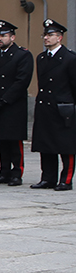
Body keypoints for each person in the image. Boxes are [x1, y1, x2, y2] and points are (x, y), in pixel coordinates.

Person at [0, 20, 33, 186]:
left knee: (14, 140)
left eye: (3, 35)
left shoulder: (22, 55)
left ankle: (17, 173)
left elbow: (22, 80)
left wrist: (5, 99)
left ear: (12, 37)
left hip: (12, 104)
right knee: (1, 140)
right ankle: (3, 171)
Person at [30, 19, 76, 190]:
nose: (46, 38)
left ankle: (66, 179)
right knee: (46, 144)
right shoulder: (41, 58)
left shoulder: (70, 58)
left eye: (50, 35)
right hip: (45, 107)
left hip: (63, 108)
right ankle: (48, 178)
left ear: (60, 38)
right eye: (45, 35)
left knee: (66, 146)